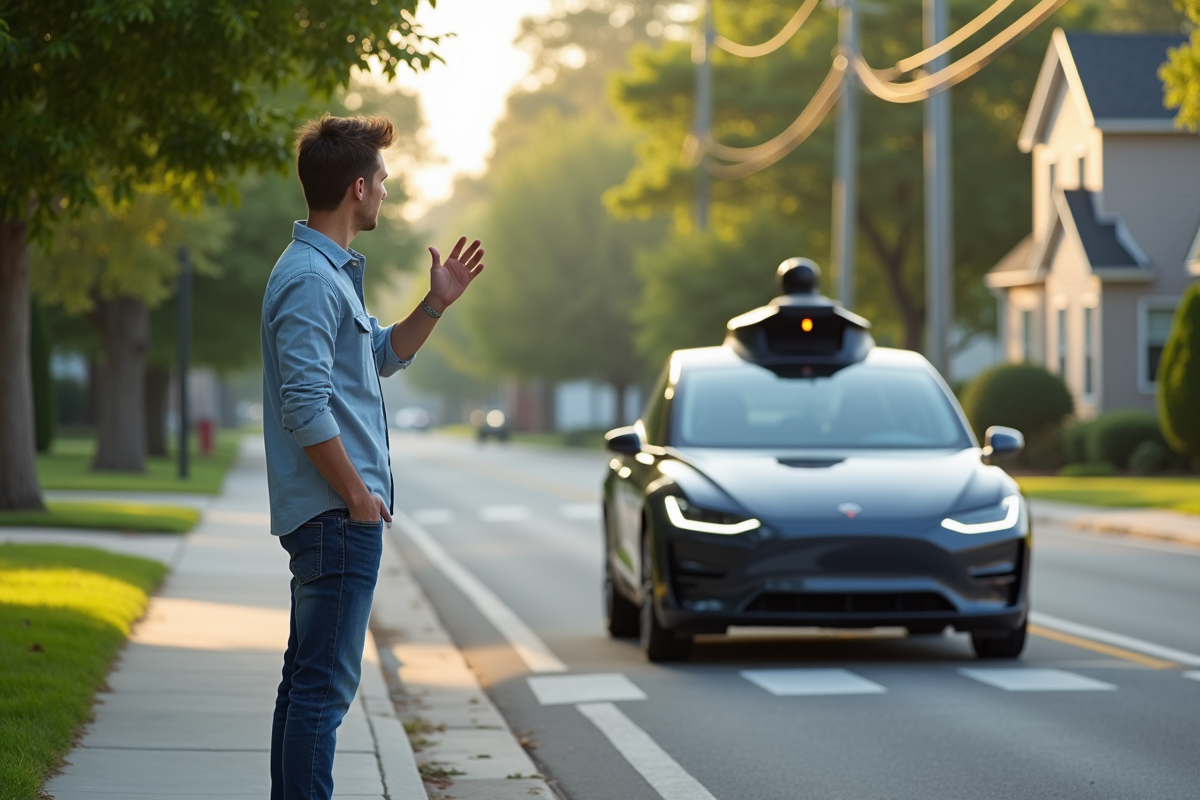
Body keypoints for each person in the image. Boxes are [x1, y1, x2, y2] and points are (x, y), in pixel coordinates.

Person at [260, 113, 485, 800]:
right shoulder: (310, 279)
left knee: (307, 684)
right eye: (383, 179)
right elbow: (305, 406)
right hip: (336, 518)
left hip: (334, 517)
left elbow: (379, 356)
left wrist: (435, 304)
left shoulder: (327, 274)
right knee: (321, 692)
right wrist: (358, 497)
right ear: (358, 188)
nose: (387, 189)